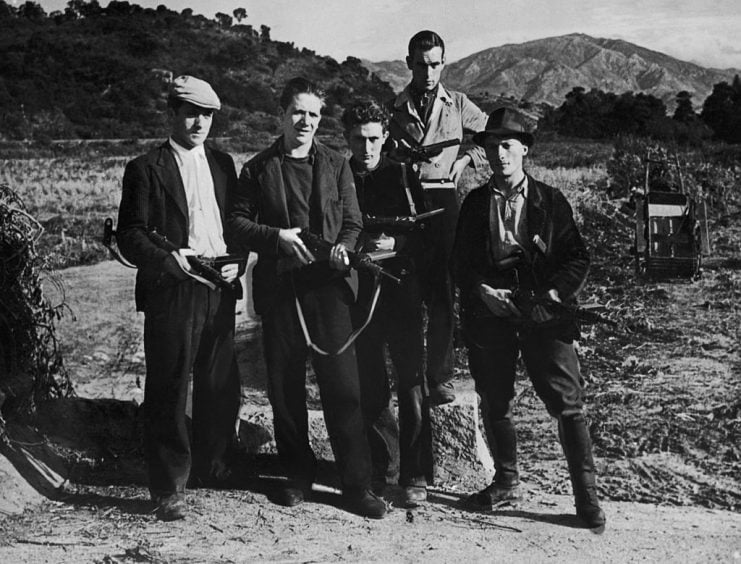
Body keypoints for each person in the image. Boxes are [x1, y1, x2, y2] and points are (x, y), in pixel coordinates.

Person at [226, 78, 386, 519]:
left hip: (329, 292)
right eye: (298, 112)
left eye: (314, 114)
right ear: (281, 114)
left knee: (343, 389)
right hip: (281, 292)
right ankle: (297, 474)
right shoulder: (257, 169)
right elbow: (236, 225)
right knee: (284, 386)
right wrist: (276, 238)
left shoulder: (337, 164)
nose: (306, 121)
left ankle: (357, 485)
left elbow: (353, 223)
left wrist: (343, 252)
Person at [452, 107, 607, 530]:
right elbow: (460, 264)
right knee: (495, 400)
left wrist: (553, 295)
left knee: (568, 405)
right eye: (492, 146)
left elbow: (576, 258)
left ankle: (586, 500)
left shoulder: (550, 202)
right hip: (491, 315)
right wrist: (483, 290)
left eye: (508, 145)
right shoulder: (475, 204)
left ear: (524, 150)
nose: (500, 154)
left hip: (544, 314)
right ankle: (505, 482)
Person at [117, 75, 242, 521]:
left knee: (219, 382)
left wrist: (239, 261)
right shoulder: (145, 168)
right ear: (172, 112)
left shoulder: (225, 165)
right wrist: (166, 262)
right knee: (169, 386)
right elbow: (130, 235)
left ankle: (214, 465)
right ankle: (168, 485)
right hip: (173, 289)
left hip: (219, 285)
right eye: (191, 112)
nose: (199, 122)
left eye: (207, 115)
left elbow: (238, 226)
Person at [387, 30, 489, 405]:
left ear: (444, 63)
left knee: (444, 293)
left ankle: (440, 378)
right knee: (408, 292)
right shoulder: (393, 108)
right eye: (420, 64)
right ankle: (411, 376)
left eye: (435, 64)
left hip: (445, 204)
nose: (428, 72)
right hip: (404, 206)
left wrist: (464, 160)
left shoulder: (459, 104)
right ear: (409, 63)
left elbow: (491, 136)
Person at [342, 100, 433, 507]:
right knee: (371, 381)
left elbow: (424, 231)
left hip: (402, 291)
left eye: (374, 138)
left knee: (412, 380)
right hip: (359, 292)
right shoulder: (338, 173)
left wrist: (398, 243)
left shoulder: (400, 172)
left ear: (385, 136)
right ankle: (382, 466)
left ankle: (415, 474)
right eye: (359, 139)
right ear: (347, 138)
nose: (367, 148)